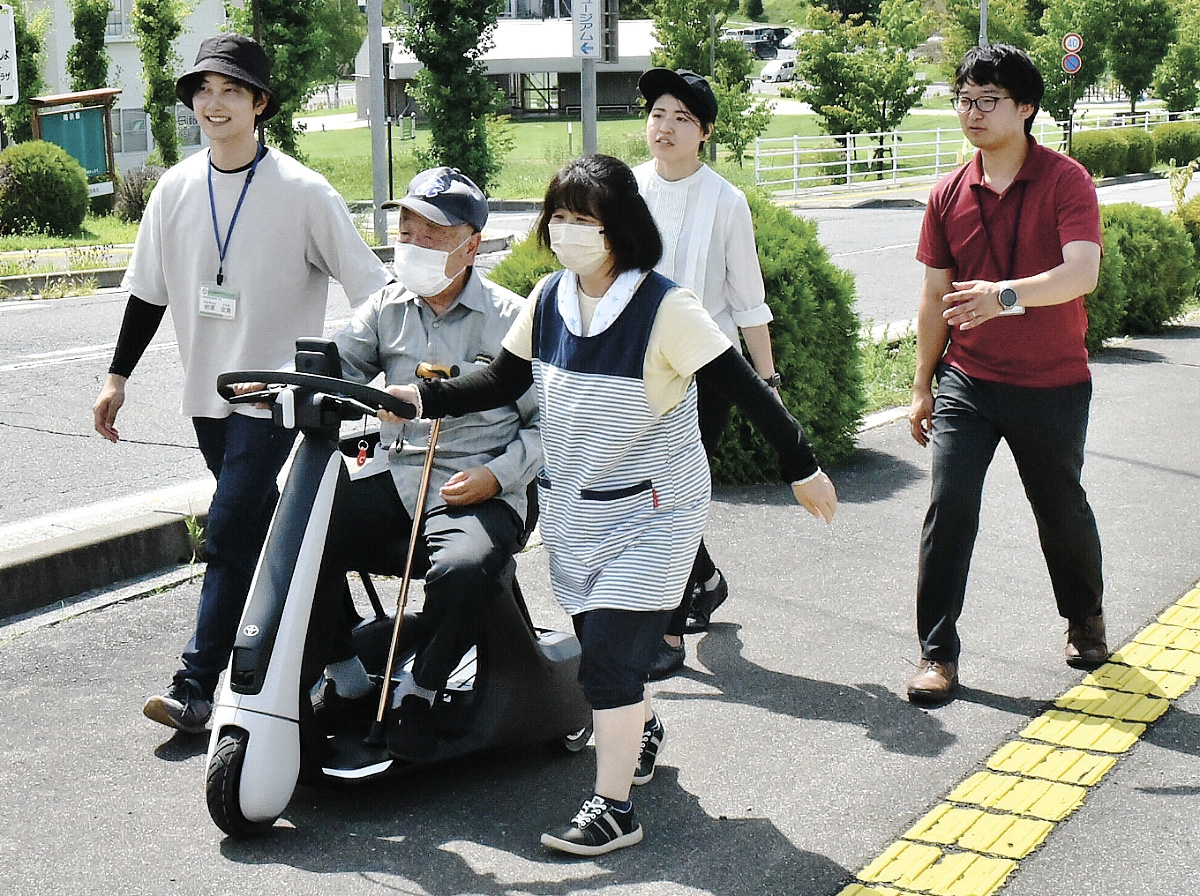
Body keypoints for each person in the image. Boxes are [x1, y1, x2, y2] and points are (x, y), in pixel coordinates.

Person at [386, 155, 837, 855]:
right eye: (558, 217)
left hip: (655, 512)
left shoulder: (665, 308)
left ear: (620, 228)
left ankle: (613, 809)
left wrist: (801, 464)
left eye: (584, 220)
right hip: (577, 508)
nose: (567, 232)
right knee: (606, 650)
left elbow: (745, 388)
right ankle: (642, 728)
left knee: (607, 667)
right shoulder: (548, 299)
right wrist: (420, 398)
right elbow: (501, 380)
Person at [91, 33, 392, 734]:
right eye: (203, 90)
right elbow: (147, 296)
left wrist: (356, 372)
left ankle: (197, 685)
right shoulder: (174, 190)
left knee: (227, 533)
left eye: (231, 91)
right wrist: (116, 379)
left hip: (279, 403)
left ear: (260, 104)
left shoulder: (303, 192)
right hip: (207, 401)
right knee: (267, 533)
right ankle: (345, 666)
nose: (214, 103)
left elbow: (374, 291)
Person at [301, 166, 541, 761]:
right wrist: (301, 386)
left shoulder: (513, 320)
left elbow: (550, 428)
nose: (412, 243)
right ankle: (347, 669)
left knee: (463, 569)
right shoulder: (387, 307)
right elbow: (339, 368)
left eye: (432, 234)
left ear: (472, 245)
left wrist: (496, 476)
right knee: (291, 529)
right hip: (399, 476)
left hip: (479, 485)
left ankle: (421, 687)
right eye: (406, 228)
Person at [906, 44, 1107, 705]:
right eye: (964, 99)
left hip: (1052, 380)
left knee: (1060, 508)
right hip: (969, 379)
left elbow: (1082, 273)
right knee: (949, 505)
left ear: (1026, 108)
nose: (972, 112)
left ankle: (1085, 619)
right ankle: (937, 653)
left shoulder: (1065, 180)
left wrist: (1005, 296)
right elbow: (935, 297)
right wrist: (921, 383)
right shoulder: (947, 193)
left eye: (987, 100)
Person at [633, 69, 781, 679]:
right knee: (647, 492)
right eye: (658, 114)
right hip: (639, 371)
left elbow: (747, 300)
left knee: (673, 493)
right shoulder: (628, 189)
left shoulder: (726, 201)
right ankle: (706, 580)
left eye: (682, 118)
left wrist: (766, 385)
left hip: (707, 371)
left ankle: (665, 629)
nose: (665, 127)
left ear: (705, 133)